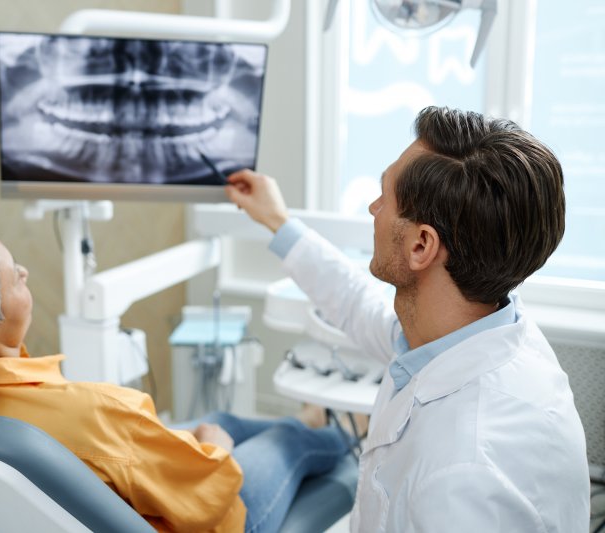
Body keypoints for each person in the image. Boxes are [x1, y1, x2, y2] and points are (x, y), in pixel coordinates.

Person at [0, 204, 352, 533]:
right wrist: (215, 445)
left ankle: (301, 424)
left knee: (222, 416)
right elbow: (210, 491)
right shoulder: (93, 412)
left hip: (130, 475)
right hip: (216, 520)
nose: (24, 272)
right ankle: (337, 437)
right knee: (281, 440)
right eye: (11, 278)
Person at [225, 106, 590, 532]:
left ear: (421, 246)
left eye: (385, 195)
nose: (373, 207)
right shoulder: (476, 325)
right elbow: (359, 305)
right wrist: (277, 221)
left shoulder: (464, 474)